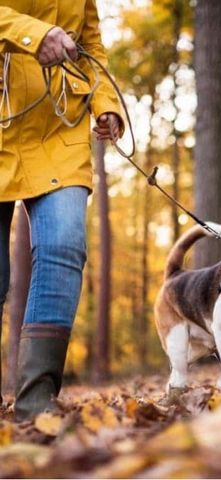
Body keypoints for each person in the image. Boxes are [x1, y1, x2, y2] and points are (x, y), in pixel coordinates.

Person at [0, 0, 123, 421]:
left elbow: (90, 43)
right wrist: (31, 33)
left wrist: (106, 103)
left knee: (63, 247)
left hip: (59, 130)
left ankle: (35, 402)